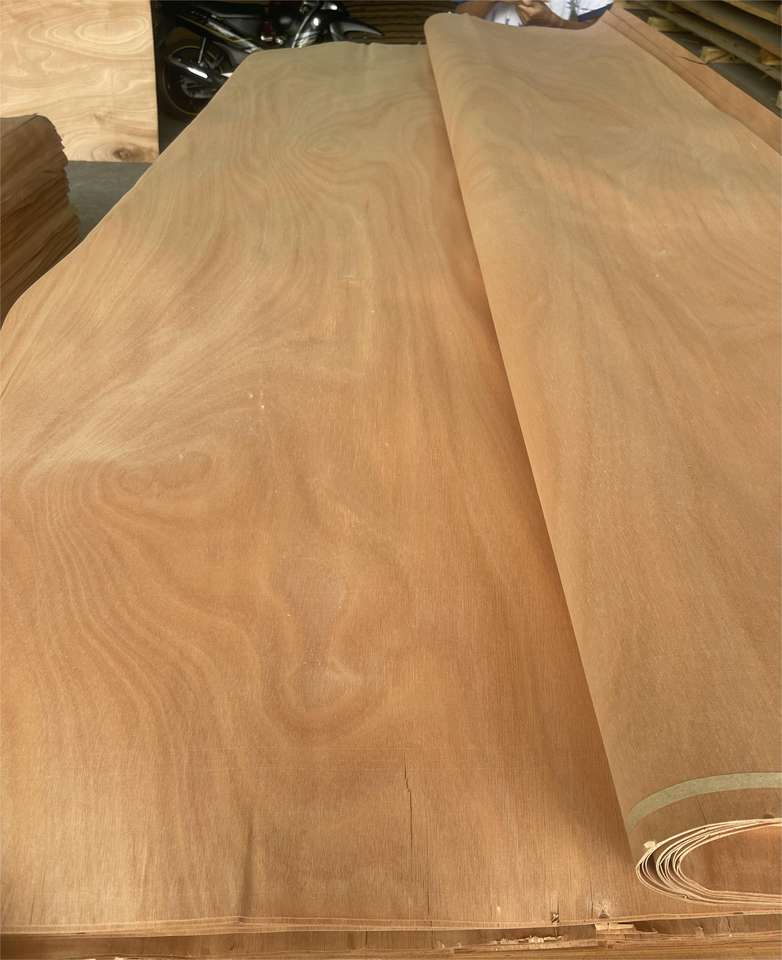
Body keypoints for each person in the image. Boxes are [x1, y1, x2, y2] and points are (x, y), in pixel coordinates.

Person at [457, 0, 612, 29]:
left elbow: (600, 30)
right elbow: (459, 16)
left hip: (552, 67)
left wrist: (554, 22)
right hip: (486, 63)